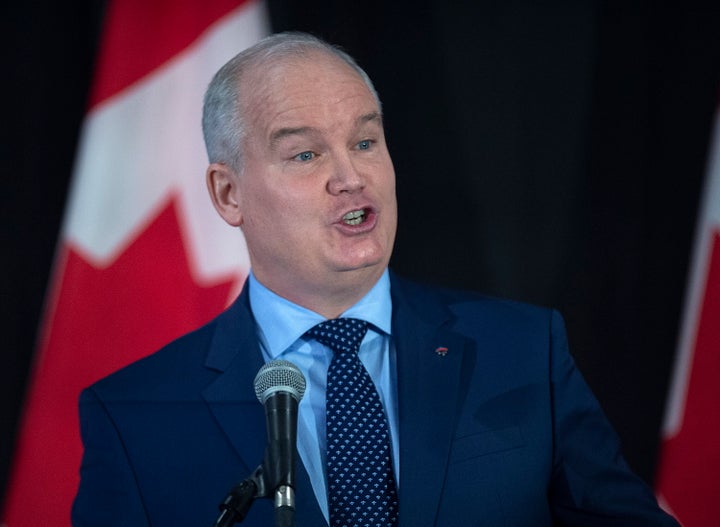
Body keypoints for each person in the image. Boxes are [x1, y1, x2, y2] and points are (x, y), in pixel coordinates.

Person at [72, 31, 679, 527]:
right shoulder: (135, 419)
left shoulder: (523, 353)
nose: (350, 177)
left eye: (365, 141)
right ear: (229, 194)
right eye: (306, 155)